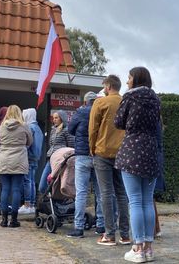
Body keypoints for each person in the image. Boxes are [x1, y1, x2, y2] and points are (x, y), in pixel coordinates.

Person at [114, 67, 161, 263]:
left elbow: (118, 122)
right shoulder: (156, 99)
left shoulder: (129, 97)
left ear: (136, 79)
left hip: (132, 149)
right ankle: (148, 249)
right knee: (147, 201)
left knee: (134, 201)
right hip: (151, 150)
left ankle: (137, 248)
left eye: (129, 77)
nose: (127, 81)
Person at [89, 75, 129, 246]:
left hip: (103, 151)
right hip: (122, 152)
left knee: (105, 193)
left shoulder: (100, 102)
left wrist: (92, 149)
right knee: (122, 193)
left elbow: (93, 129)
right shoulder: (126, 102)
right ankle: (125, 234)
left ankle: (110, 234)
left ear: (107, 86)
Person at [66, 91, 106, 238]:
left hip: (82, 155)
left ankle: (79, 227)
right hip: (99, 155)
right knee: (100, 192)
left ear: (85, 102)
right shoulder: (102, 111)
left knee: (81, 192)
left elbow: (70, 130)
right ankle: (101, 226)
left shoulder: (80, 112)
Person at [0, 105, 32, 228]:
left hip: (4, 159)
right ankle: (14, 220)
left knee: (5, 189)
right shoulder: (23, 126)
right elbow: (30, 141)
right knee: (16, 189)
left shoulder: (2, 126)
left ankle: (4, 219)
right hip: (19, 159)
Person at [38, 110, 74, 195]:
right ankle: (50, 201)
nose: (54, 120)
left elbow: (71, 146)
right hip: (51, 159)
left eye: (56, 118)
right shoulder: (53, 130)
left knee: (60, 185)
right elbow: (51, 144)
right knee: (42, 186)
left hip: (62, 160)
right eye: (53, 118)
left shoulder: (67, 130)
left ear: (62, 118)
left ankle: (58, 204)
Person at [18, 108, 44, 214]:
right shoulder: (38, 128)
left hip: (28, 157)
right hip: (36, 157)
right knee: (32, 181)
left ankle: (27, 204)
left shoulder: (30, 127)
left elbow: (27, 143)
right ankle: (32, 204)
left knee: (27, 181)